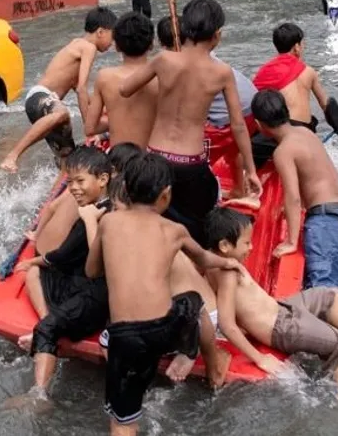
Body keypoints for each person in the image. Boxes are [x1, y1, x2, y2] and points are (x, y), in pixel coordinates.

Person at [85, 154, 243, 434]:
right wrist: (227, 262)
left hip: (126, 338)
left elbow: (91, 271)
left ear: (126, 190)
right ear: (166, 195)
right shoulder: (175, 230)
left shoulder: (109, 224)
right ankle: (212, 366)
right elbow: (205, 259)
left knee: (123, 421)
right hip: (165, 331)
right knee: (193, 303)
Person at [204, 208, 338, 399]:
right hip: (281, 328)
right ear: (224, 245)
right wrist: (260, 358)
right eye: (246, 243)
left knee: (329, 295)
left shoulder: (212, 261)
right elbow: (227, 324)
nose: (251, 248)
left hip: (281, 310)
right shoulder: (227, 273)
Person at [120, 0, 262, 244]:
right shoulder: (221, 72)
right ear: (217, 35)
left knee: (155, 225)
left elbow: (125, 89)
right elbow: (238, 125)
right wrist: (250, 170)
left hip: (156, 159)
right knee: (197, 232)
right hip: (191, 165)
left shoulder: (163, 60)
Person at [13, 147, 114, 403]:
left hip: (95, 299)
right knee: (37, 271)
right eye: (70, 182)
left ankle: (39, 396)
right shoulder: (104, 206)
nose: (73, 188)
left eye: (80, 181)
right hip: (92, 291)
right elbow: (68, 255)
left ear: (103, 179)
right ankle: (54, 322)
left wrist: (34, 259)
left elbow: (78, 258)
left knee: (46, 328)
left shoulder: (99, 214)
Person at [251, 89, 338, 289]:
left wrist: (292, 241)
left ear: (259, 124)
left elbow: (292, 196)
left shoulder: (283, 151)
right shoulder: (306, 132)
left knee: (322, 292)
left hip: (325, 221)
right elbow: (313, 176)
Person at [1, 7, 118, 172]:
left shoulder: (77, 44)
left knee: (69, 162)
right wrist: (90, 130)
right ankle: (13, 155)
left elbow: (78, 87)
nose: (112, 44)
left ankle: (54, 193)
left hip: (44, 105)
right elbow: (81, 89)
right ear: (100, 32)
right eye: (112, 38)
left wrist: (105, 109)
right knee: (62, 113)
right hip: (40, 96)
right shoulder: (88, 48)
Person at [156, 16, 260, 196]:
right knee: (234, 148)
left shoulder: (178, 66)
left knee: (188, 152)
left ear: (163, 45)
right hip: (251, 112)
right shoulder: (206, 55)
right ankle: (237, 189)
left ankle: (205, 193)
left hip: (230, 121)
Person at [252, 23, 338, 136]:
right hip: (302, 131)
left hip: (271, 133)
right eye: (302, 44)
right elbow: (326, 105)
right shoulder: (308, 72)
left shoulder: (262, 73)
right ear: (296, 47)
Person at [85, 13, 159, 149]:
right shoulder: (161, 78)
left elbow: (90, 128)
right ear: (151, 44)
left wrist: (116, 119)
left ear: (117, 46)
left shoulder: (104, 77)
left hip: (119, 158)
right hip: (151, 161)